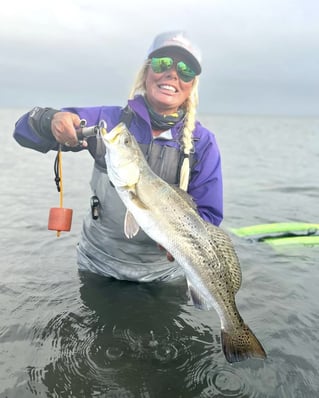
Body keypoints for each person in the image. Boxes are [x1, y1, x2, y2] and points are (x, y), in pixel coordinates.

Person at [13, 31, 223, 282]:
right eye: (163, 63)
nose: (173, 74)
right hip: (97, 264)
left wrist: (180, 244)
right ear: (146, 72)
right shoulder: (111, 124)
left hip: (163, 275)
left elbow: (208, 217)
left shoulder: (203, 143)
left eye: (186, 70)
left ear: (192, 85)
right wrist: (50, 120)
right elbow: (23, 131)